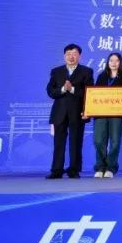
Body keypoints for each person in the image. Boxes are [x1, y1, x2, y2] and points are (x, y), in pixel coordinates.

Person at [45, 43, 95, 179]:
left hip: (78, 112)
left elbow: (89, 93)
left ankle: (74, 170)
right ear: (64, 56)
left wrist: (72, 89)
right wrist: (63, 89)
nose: (71, 57)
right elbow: (50, 91)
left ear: (80, 56)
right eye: (68, 54)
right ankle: (56, 170)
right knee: (58, 142)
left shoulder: (87, 71)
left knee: (76, 142)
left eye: (74, 54)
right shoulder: (56, 71)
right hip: (59, 112)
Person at [89, 52, 122, 178]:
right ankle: (100, 166)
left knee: (115, 142)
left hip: (117, 114)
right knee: (98, 140)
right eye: (111, 60)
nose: (113, 63)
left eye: (116, 60)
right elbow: (95, 95)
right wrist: (90, 110)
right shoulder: (101, 76)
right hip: (101, 113)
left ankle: (110, 168)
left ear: (120, 62)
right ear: (107, 63)